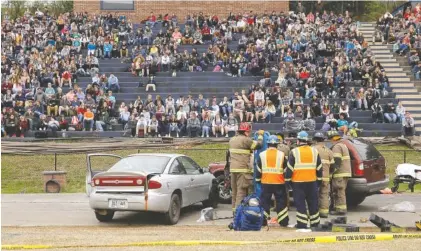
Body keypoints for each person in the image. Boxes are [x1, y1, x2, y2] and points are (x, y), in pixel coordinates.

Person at [285, 131, 322, 231]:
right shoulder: (314, 151)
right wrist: (318, 182)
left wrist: (287, 182)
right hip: (312, 182)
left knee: (300, 204)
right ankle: (315, 224)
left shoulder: (294, 152)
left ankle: (302, 224)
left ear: (298, 141)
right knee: (313, 203)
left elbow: (289, 169)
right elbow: (319, 168)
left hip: (298, 183)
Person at [227, 123, 264, 214]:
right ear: (246, 132)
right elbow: (258, 145)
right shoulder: (246, 140)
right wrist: (260, 136)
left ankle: (234, 211)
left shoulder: (232, 140)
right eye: (249, 131)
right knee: (241, 191)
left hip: (233, 169)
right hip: (242, 169)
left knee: (234, 191)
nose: (250, 133)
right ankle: (238, 213)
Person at [255, 135, 289, 227]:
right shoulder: (282, 155)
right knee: (281, 202)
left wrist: (258, 180)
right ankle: (283, 221)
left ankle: (263, 221)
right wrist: (286, 181)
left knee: (265, 202)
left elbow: (258, 169)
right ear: (277, 144)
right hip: (279, 182)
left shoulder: (262, 155)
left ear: (268, 144)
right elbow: (285, 170)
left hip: (266, 182)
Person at [327, 130, 352, 215]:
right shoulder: (343, 145)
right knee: (340, 191)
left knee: (339, 191)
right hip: (345, 172)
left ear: (333, 139)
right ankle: (339, 209)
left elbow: (336, 162)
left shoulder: (337, 147)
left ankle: (341, 210)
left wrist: (331, 173)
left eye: (330, 139)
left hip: (340, 173)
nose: (330, 141)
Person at [313, 132, 334, 218]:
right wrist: (329, 174)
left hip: (314, 177)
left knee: (313, 194)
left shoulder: (312, 149)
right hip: (326, 177)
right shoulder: (329, 151)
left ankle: (314, 213)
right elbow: (332, 166)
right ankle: (324, 212)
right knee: (324, 194)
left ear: (315, 140)